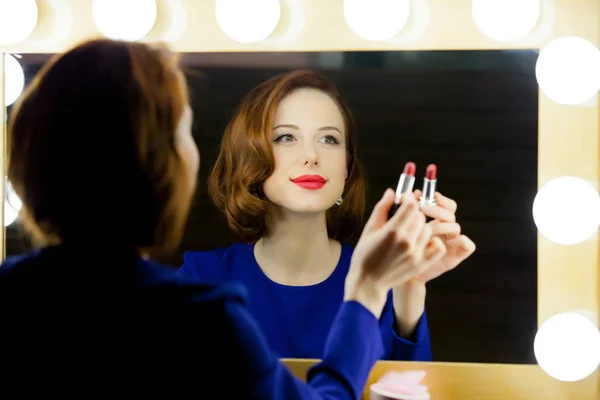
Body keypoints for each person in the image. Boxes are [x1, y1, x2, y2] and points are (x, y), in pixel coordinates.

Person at [0, 39, 448, 398]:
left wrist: (404, 294)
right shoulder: (199, 313)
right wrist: (367, 289)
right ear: (155, 166)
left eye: (330, 140)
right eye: (183, 133)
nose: (311, 156)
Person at [179, 70, 476, 361]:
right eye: (286, 137)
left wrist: (410, 286)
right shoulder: (202, 280)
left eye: (329, 140)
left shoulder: (381, 278)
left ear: (346, 168)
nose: (311, 156)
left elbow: (411, 388)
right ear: (249, 155)